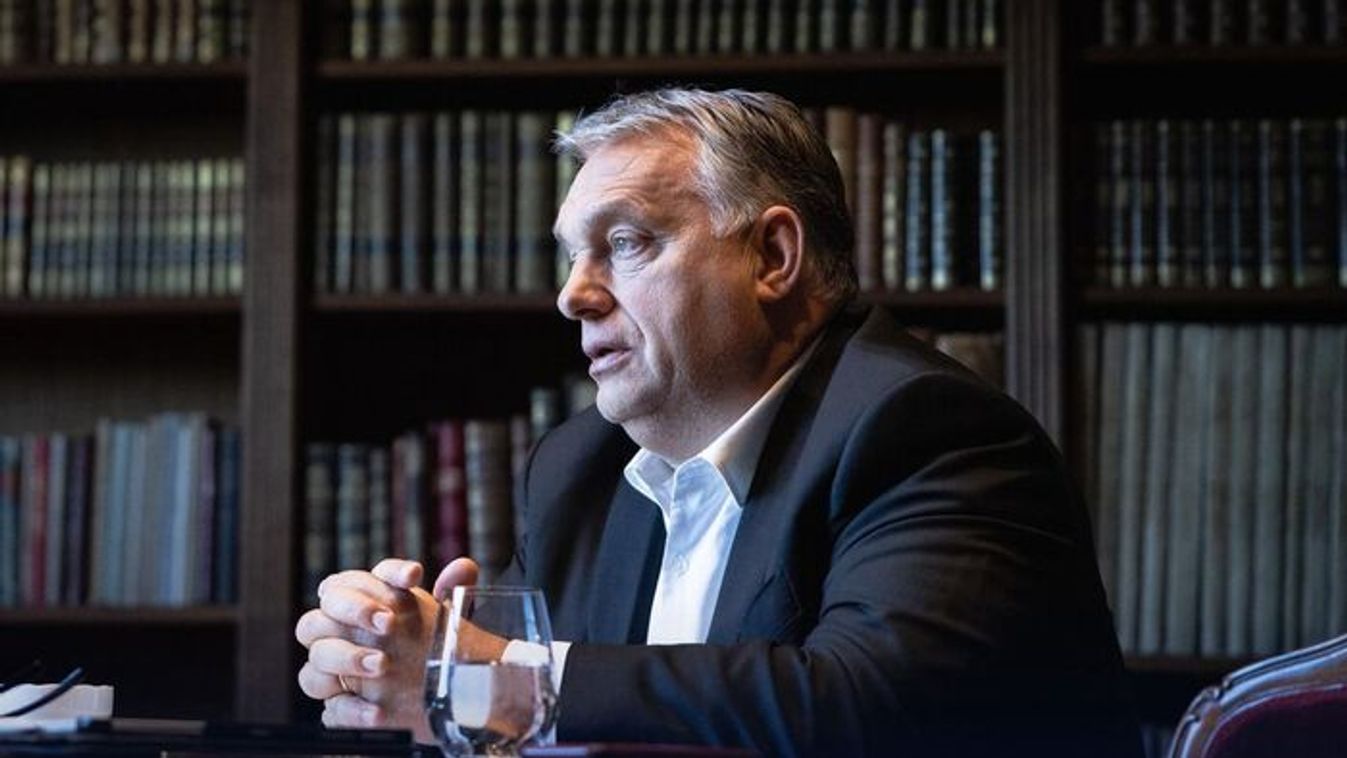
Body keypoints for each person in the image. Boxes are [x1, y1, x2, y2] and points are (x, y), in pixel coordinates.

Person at [296, 88, 1141, 757]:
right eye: (571, 255)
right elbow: (520, 705)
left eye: (625, 243)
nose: (572, 295)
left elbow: (866, 707)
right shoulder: (577, 468)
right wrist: (384, 653)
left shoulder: (926, 430)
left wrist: (490, 678)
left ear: (773, 256)